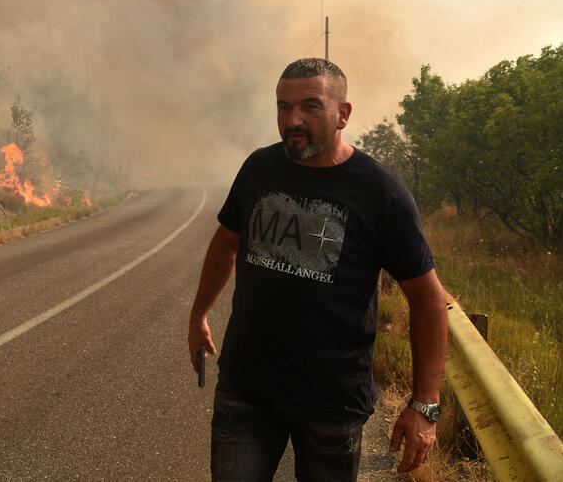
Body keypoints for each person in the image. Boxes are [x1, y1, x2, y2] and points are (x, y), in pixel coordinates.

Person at [188, 58, 448, 481]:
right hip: (247, 389)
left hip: (333, 401)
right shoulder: (259, 168)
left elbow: (427, 298)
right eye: (282, 106)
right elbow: (227, 241)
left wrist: (425, 405)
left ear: (343, 114)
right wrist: (199, 315)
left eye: (310, 106)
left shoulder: (380, 192)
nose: (292, 119)